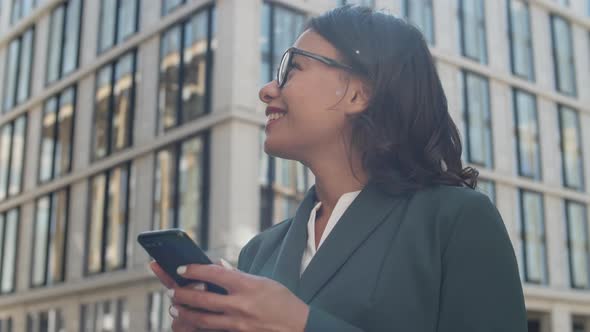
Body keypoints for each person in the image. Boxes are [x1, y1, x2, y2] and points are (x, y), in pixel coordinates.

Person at [150, 5, 527, 332]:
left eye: (292, 68)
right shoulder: (258, 253)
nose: (267, 89)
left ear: (358, 94)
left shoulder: (455, 220)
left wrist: (301, 325)